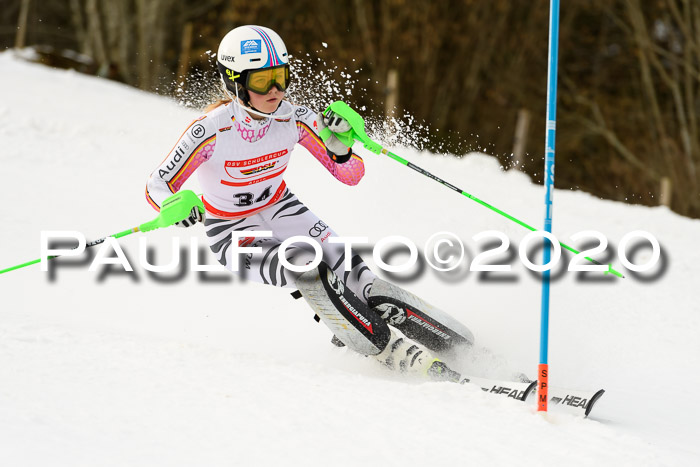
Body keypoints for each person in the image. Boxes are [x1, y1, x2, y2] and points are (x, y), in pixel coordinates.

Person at [145, 25, 474, 380]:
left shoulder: (294, 118)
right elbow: (157, 185)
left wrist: (342, 150)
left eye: (281, 77)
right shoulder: (211, 130)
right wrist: (176, 206)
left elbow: (350, 175)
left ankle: (463, 349)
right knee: (305, 265)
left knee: (363, 281)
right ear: (234, 82)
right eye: (261, 82)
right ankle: (380, 344)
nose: (275, 90)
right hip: (231, 230)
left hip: (283, 209)